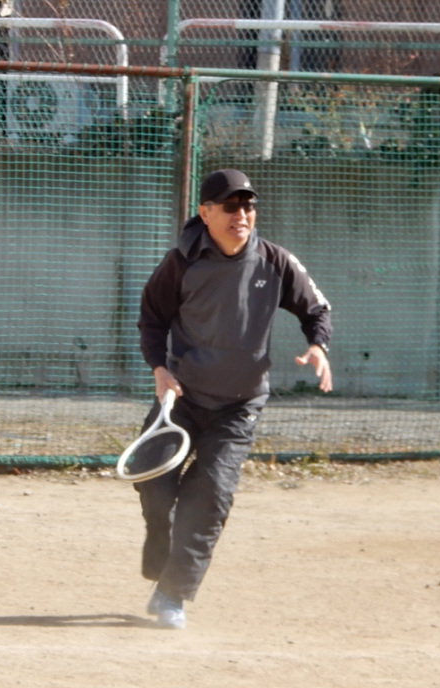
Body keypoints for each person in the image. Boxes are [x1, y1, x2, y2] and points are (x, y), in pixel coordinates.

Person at [134, 168, 333, 629]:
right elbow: (152, 319)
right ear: (205, 213)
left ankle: (172, 594)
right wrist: (160, 369)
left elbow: (316, 308)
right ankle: (162, 550)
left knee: (211, 495)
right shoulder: (180, 263)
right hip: (181, 398)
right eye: (230, 206)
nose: (241, 214)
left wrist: (318, 345)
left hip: (239, 406)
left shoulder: (275, 261)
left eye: (248, 205)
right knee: (154, 485)